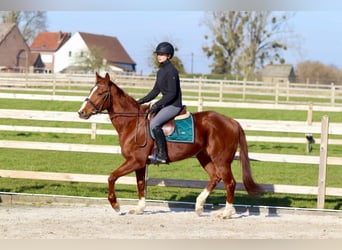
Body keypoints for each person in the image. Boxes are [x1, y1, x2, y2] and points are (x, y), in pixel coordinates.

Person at [137, 42, 183, 164]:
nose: (159, 56)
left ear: (168, 55)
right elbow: (155, 91)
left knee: (154, 124)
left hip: (174, 105)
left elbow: (172, 94)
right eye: (158, 54)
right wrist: (140, 101)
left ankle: (162, 154)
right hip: (166, 104)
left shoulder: (172, 70)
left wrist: (157, 104)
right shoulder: (161, 70)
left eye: (162, 54)